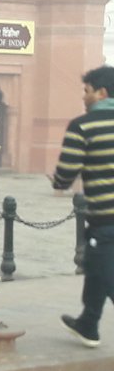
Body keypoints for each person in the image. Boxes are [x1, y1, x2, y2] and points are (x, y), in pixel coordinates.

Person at [56, 65, 114, 348]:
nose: (83, 96)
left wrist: (59, 180)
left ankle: (89, 323)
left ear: (101, 93)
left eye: (87, 91)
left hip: (105, 218)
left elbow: (66, 173)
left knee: (105, 271)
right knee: (95, 265)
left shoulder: (83, 125)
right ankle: (88, 324)